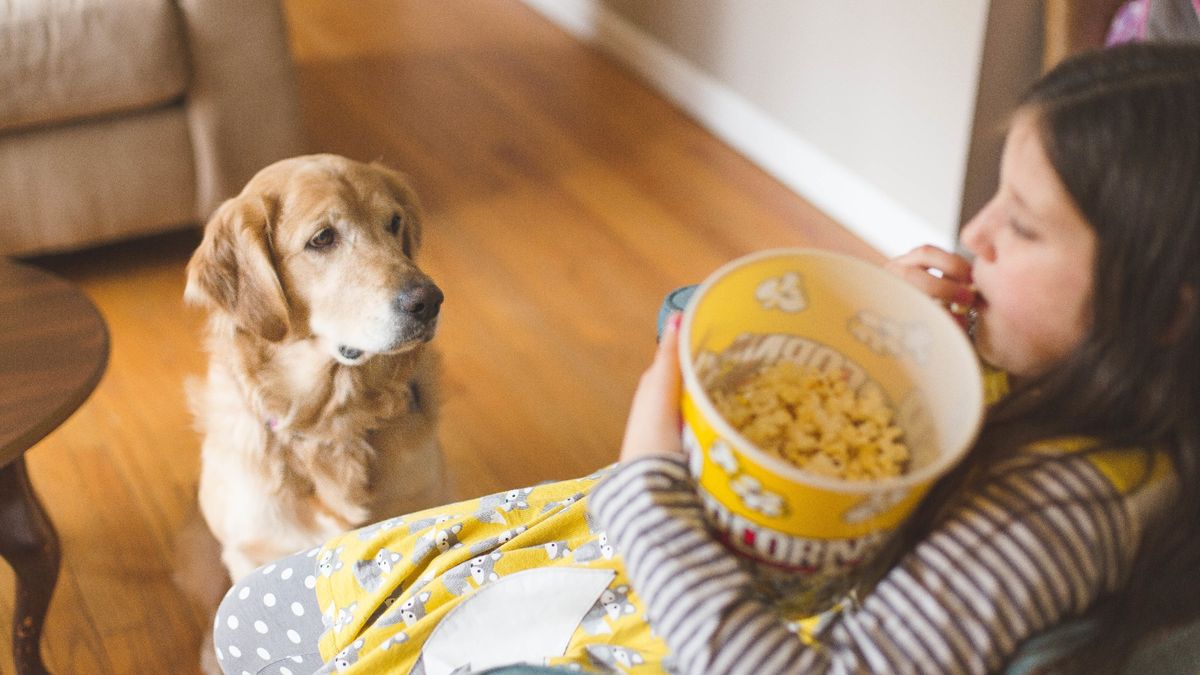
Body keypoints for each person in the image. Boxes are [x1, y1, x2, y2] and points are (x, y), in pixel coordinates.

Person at [211, 43, 1200, 674]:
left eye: (1021, 227)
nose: (974, 233)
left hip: (717, 616)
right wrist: (871, 315)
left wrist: (647, 477)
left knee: (291, 624)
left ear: (1161, 309)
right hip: (746, 558)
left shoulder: (1056, 514)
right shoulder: (1049, 384)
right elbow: (701, 317)